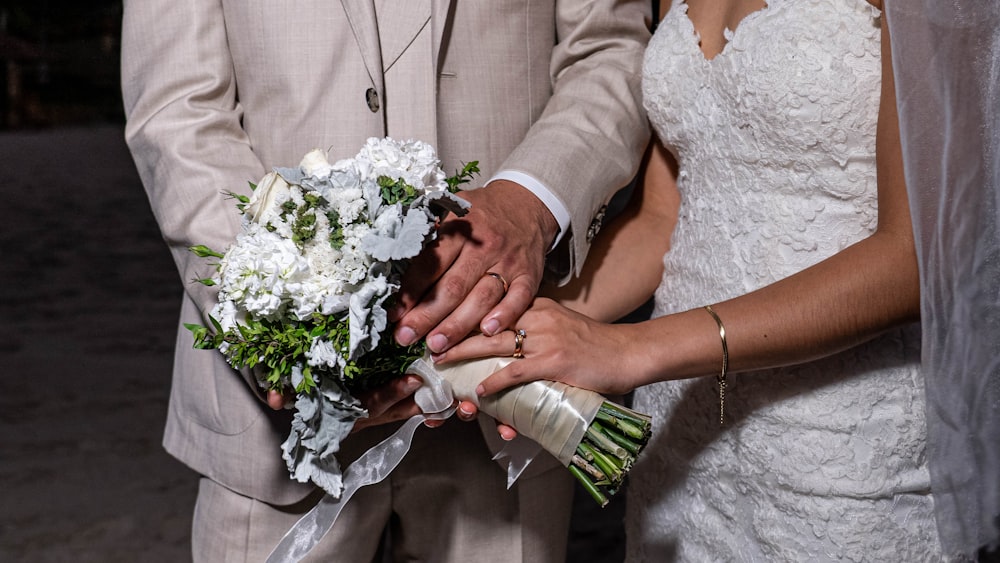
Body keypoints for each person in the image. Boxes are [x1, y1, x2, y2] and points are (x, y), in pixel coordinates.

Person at [120, 2, 651, 561]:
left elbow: (609, 48)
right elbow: (177, 109)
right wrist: (274, 315)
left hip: (502, 389)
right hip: (272, 434)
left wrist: (532, 202)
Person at [439, 0, 947, 559]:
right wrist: (491, 332)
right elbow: (663, 219)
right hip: (684, 434)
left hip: (842, 443)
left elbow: (916, 256)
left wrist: (630, 349)